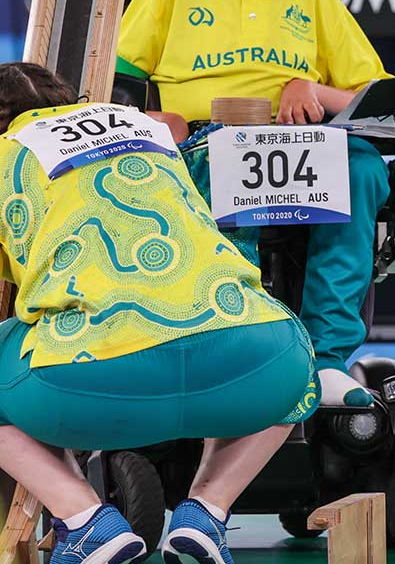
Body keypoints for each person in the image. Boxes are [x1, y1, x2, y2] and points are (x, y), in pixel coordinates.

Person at [114, 0, 391, 409]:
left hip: (297, 153)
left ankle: (327, 362)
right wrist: (146, 117)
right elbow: (110, 85)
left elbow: (377, 103)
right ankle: (235, 345)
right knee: (216, 166)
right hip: (200, 151)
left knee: (365, 166)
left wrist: (314, 90)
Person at [0, 63, 318, 564]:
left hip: (96, 378)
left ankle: (84, 521)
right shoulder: (148, 130)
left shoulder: (5, 154)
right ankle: (206, 514)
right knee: (299, 372)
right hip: (253, 362)